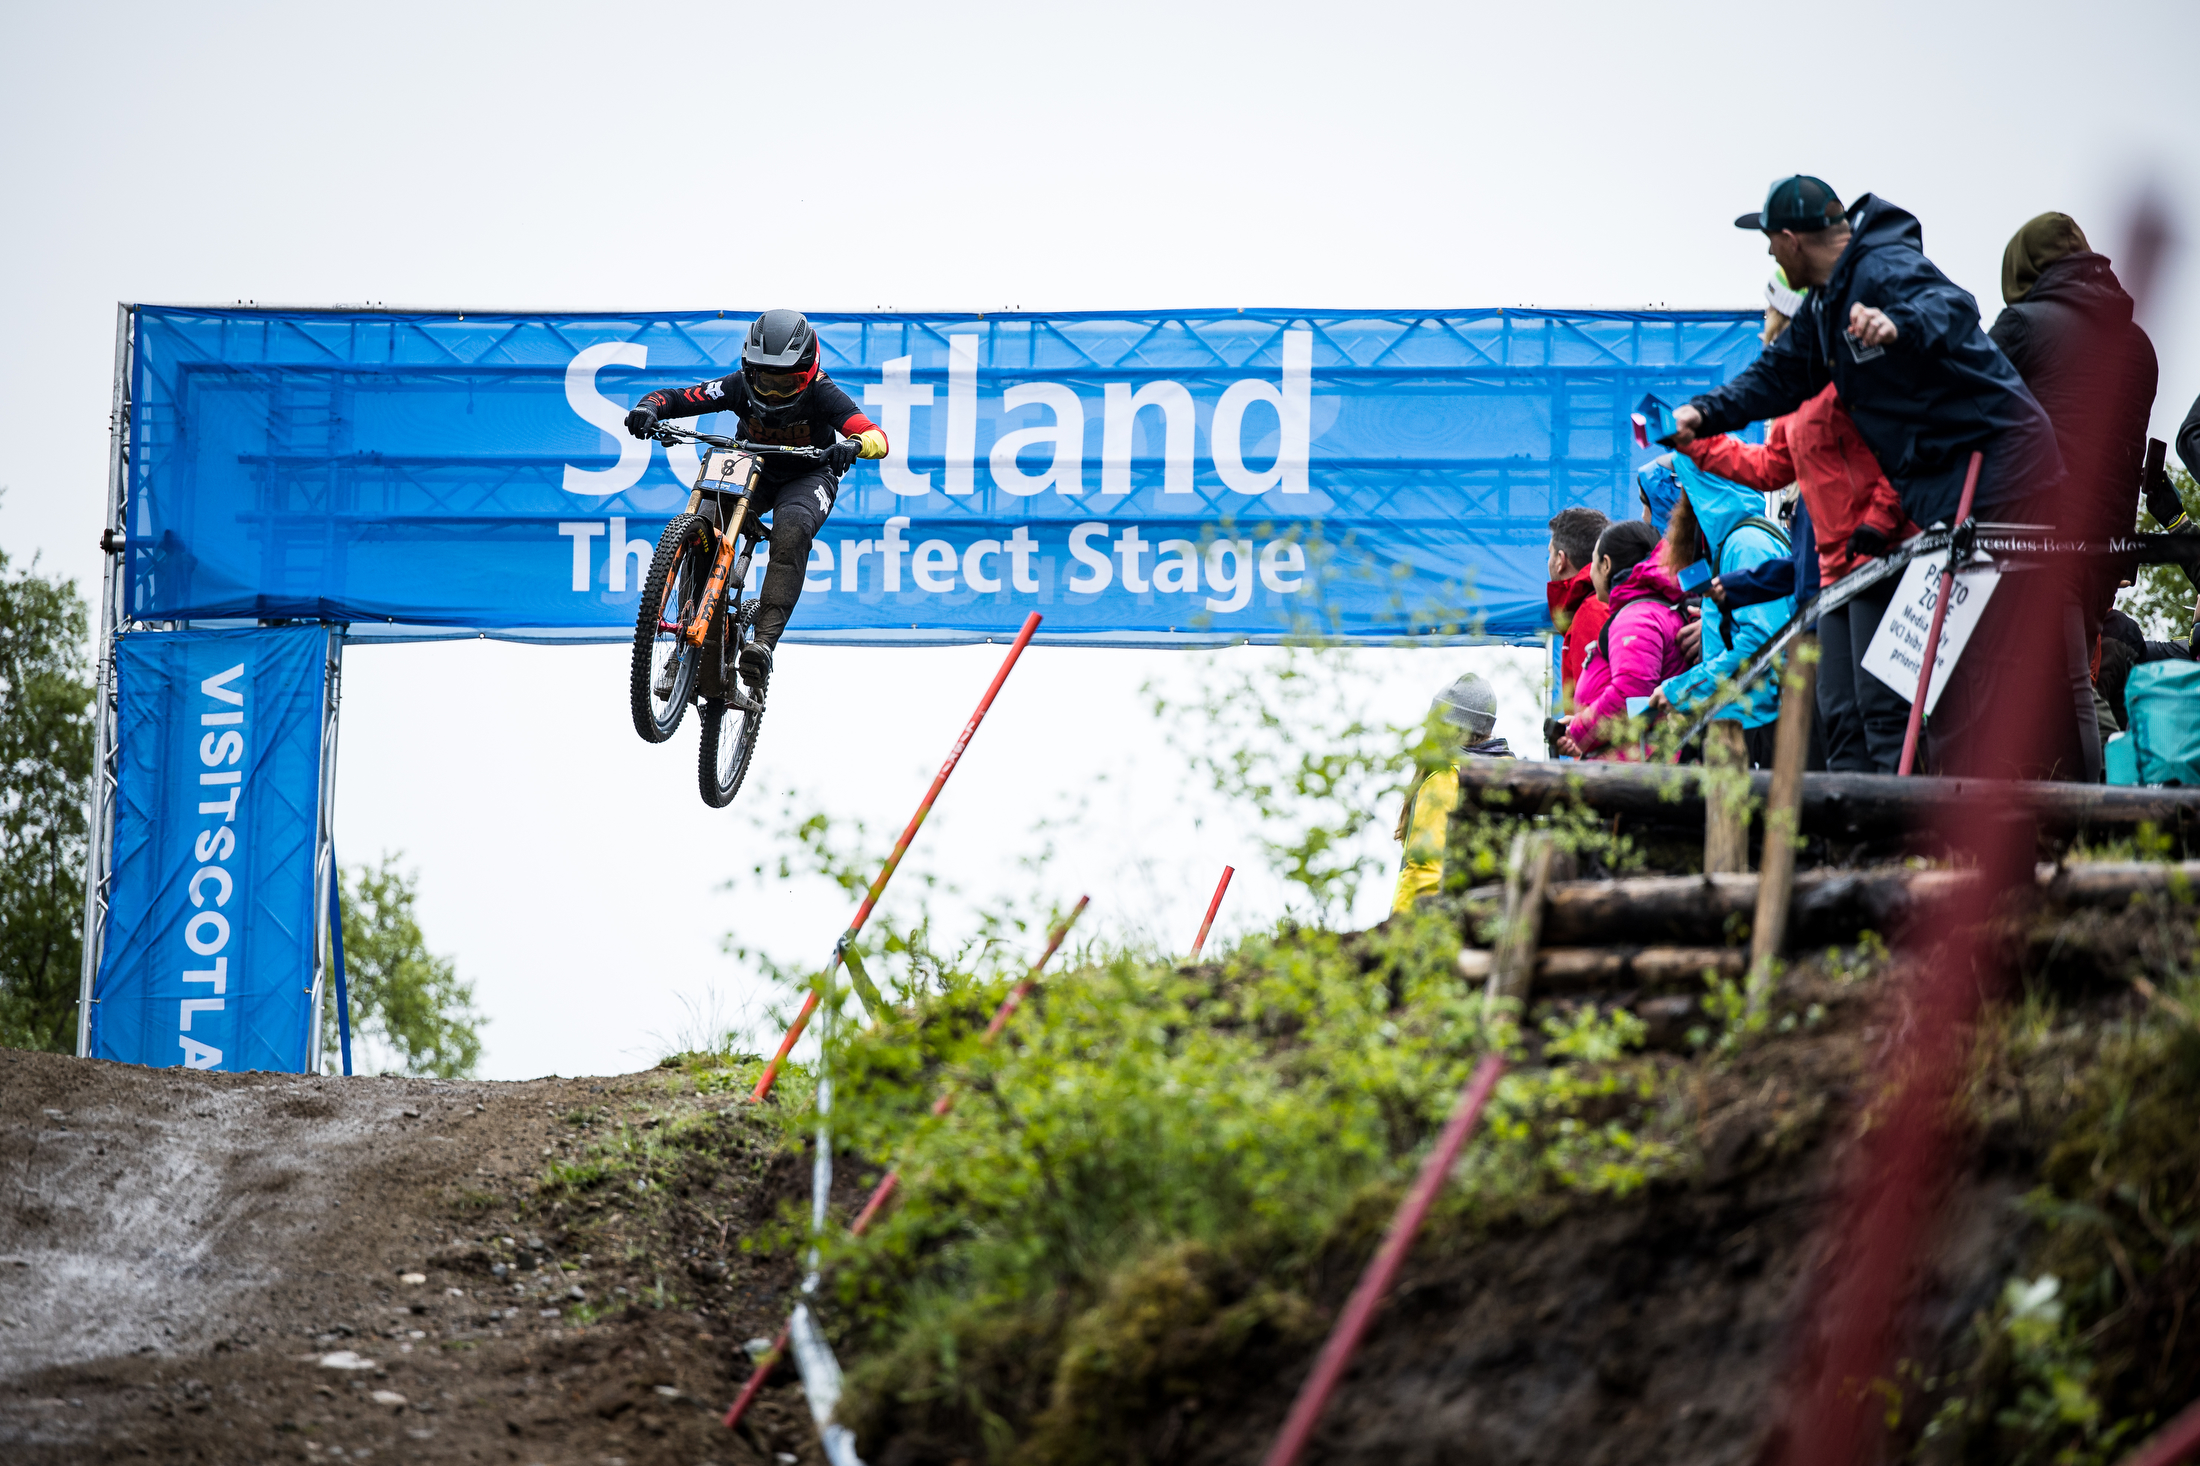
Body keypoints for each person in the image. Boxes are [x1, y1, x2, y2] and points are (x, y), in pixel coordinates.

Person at [1668, 177, 2090, 781]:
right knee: (1930, 691)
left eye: (1769, 242)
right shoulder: (1826, 308)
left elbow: (1953, 305)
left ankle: (2029, 827)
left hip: (2004, 474)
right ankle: (1927, 839)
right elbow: (1775, 378)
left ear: (1791, 240)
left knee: (1989, 675)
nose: (1767, 255)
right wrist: (1700, 417)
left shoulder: (1882, 267)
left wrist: (1898, 325)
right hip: (1948, 491)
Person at [1681, 268, 1915, 772]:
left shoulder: (1853, 369)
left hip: (1877, 562)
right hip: (1830, 575)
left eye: (1767, 312)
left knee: (1880, 708)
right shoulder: (1791, 395)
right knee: (1838, 713)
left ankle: (1902, 843)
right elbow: (1769, 466)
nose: (1762, 326)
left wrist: (1878, 523)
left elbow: (1905, 449)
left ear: (1787, 313)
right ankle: (1854, 842)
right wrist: (1696, 443)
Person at [624, 311, 890, 684]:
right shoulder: (736, 386)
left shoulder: (824, 394)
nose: (775, 392)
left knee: (793, 529)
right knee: (705, 513)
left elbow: (877, 436)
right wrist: (648, 408)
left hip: (808, 473)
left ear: (810, 372)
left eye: (788, 383)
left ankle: (762, 645)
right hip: (752, 464)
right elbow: (674, 397)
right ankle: (685, 629)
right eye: (765, 381)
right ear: (749, 371)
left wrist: (854, 444)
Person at [1988, 212, 2159, 645]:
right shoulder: (2140, 347)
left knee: (2045, 689)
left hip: (2028, 545)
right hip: (2104, 553)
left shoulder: (2023, 325)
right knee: (2069, 675)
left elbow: (1965, 411)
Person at [1645, 456, 1795, 766]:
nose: (1673, 513)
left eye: (1685, 493)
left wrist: (1680, 690)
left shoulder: (1746, 544)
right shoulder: (1736, 543)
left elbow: (1760, 647)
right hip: (1743, 722)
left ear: (1703, 495)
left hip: (1756, 728)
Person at [1556, 521, 1687, 759]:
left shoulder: (1638, 618)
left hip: (1639, 771)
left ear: (1605, 565)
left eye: (1593, 562)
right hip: (1637, 758)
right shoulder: (1650, 610)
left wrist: (1579, 730)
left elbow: (1631, 693)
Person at [1392, 675, 1512, 913]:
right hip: (1491, 918)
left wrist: (1400, 928)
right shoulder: (1508, 775)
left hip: (1430, 925)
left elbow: (1426, 868)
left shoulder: (1446, 777)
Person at [1547, 506, 1612, 711]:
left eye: (1549, 554)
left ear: (1560, 560)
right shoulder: (1597, 603)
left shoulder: (1591, 611)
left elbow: (1593, 705)